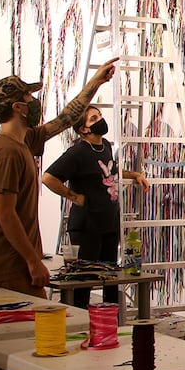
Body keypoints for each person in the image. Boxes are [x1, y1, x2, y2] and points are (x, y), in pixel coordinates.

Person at [0, 60, 116, 370]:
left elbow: (65, 119)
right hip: (10, 261)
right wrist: (31, 261)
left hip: (12, 257)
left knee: (17, 335)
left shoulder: (23, 142)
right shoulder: (7, 152)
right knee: (32, 333)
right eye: (29, 96)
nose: (34, 101)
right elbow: (5, 214)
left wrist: (93, 83)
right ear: (19, 107)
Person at [41, 104, 147, 308]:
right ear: (83, 129)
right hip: (87, 226)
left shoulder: (105, 145)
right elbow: (48, 178)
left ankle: (109, 326)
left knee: (110, 278)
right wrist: (73, 196)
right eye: (93, 118)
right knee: (84, 281)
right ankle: (78, 325)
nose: (100, 120)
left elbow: (111, 171)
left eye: (100, 116)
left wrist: (135, 175)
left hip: (108, 223)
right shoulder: (77, 152)